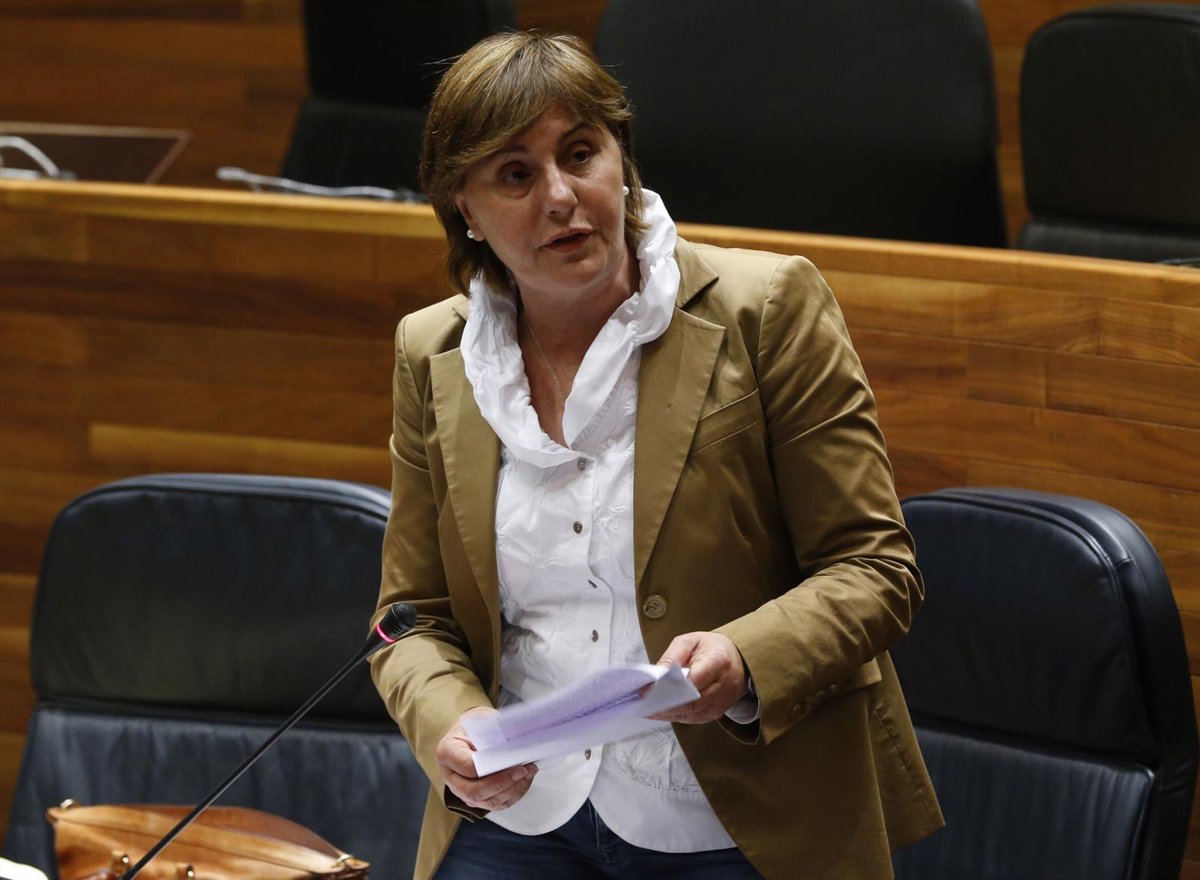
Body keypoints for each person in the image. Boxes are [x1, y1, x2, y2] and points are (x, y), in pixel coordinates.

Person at [370, 31, 943, 880]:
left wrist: (747, 658)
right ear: (466, 209)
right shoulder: (435, 354)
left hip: (738, 811)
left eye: (580, 154)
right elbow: (408, 617)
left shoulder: (766, 308)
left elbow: (876, 568)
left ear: (622, 160)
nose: (561, 196)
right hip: (523, 811)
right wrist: (448, 721)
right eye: (515, 175)